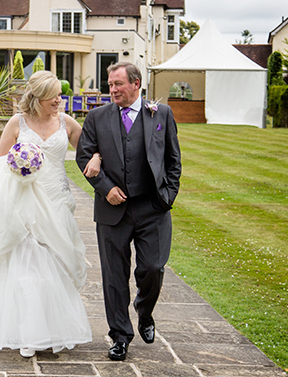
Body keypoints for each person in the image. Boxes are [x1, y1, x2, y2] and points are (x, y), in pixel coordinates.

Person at [0, 71, 101, 358]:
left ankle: (54, 329)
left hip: (56, 201)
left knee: (56, 265)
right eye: (53, 95)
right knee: (27, 269)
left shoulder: (66, 123)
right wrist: (18, 165)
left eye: (58, 95)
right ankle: (29, 334)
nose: (59, 99)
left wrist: (96, 156)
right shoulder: (17, 123)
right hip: (25, 202)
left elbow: (90, 150)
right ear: (38, 97)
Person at [76, 62, 181, 361]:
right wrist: (105, 187)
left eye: (118, 84)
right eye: (110, 84)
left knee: (152, 268)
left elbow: (173, 159)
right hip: (112, 210)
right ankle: (120, 336)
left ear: (136, 84)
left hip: (152, 207)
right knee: (114, 276)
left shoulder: (160, 113)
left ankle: (144, 312)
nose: (113, 89)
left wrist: (167, 196)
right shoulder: (97, 117)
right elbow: (84, 155)